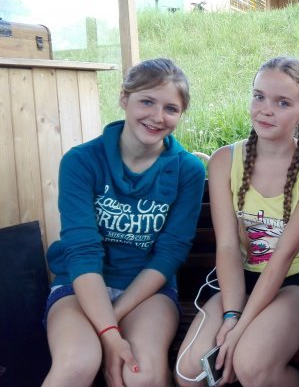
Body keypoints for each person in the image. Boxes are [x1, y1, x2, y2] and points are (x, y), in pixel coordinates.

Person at [42, 58, 206, 387]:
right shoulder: (81, 162)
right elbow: (82, 252)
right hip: (80, 286)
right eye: (147, 101)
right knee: (76, 363)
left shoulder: (187, 170)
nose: (157, 117)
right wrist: (107, 332)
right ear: (124, 98)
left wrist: (110, 326)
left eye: (171, 108)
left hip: (147, 291)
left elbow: (170, 253)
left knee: (141, 373)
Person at [174, 56, 299, 387]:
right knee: (189, 372)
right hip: (244, 276)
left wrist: (238, 329)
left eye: (282, 102)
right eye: (259, 96)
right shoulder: (224, 160)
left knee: (251, 364)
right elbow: (227, 246)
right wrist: (232, 315)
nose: (265, 109)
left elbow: (282, 258)